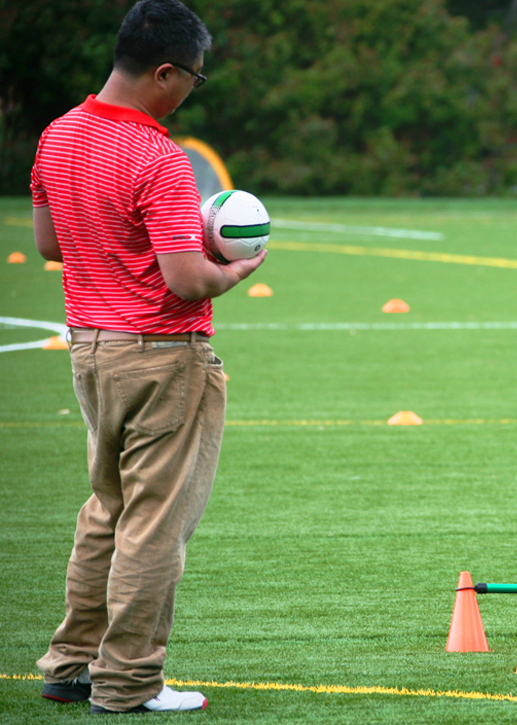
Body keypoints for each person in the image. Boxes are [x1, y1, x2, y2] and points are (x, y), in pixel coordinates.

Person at [31, 0, 265, 714]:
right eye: (195, 77)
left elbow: (48, 244)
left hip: (91, 351)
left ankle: (71, 661)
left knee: (107, 509)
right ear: (165, 71)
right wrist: (237, 269)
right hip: (164, 355)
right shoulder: (157, 156)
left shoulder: (58, 134)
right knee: (154, 522)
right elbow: (185, 279)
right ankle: (129, 678)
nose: (193, 88)